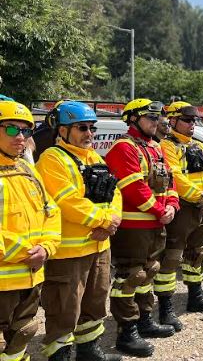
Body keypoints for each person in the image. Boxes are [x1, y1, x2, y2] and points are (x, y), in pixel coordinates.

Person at [36, 101, 122, 361]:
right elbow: (67, 201)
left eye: (91, 128)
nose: (89, 133)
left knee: (95, 303)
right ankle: (59, 355)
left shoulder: (95, 157)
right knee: (64, 309)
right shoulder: (52, 159)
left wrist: (111, 221)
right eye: (81, 128)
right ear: (62, 131)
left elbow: (114, 192)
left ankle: (89, 350)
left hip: (99, 246)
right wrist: (104, 222)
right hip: (69, 252)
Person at [105, 99, 179, 358]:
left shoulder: (156, 147)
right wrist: (161, 211)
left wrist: (172, 204)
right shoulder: (123, 148)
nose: (155, 121)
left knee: (149, 273)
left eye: (157, 118)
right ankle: (126, 332)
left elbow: (170, 181)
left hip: (156, 225)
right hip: (133, 226)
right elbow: (133, 188)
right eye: (150, 117)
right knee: (130, 276)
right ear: (133, 119)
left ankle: (144, 319)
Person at [0, 101, 61, 361]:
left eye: (26, 130)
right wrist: (26, 252)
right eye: (12, 130)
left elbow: (52, 212)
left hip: (31, 275)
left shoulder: (26, 169)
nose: (21, 137)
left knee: (24, 333)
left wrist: (46, 248)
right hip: (5, 278)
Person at [159, 102, 203, 330]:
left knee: (198, 253)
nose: (192, 124)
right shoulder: (167, 146)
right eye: (187, 120)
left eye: (194, 121)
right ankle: (165, 308)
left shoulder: (200, 146)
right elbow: (174, 175)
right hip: (184, 207)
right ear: (173, 120)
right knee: (172, 256)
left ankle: (195, 297)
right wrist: (198, 195)